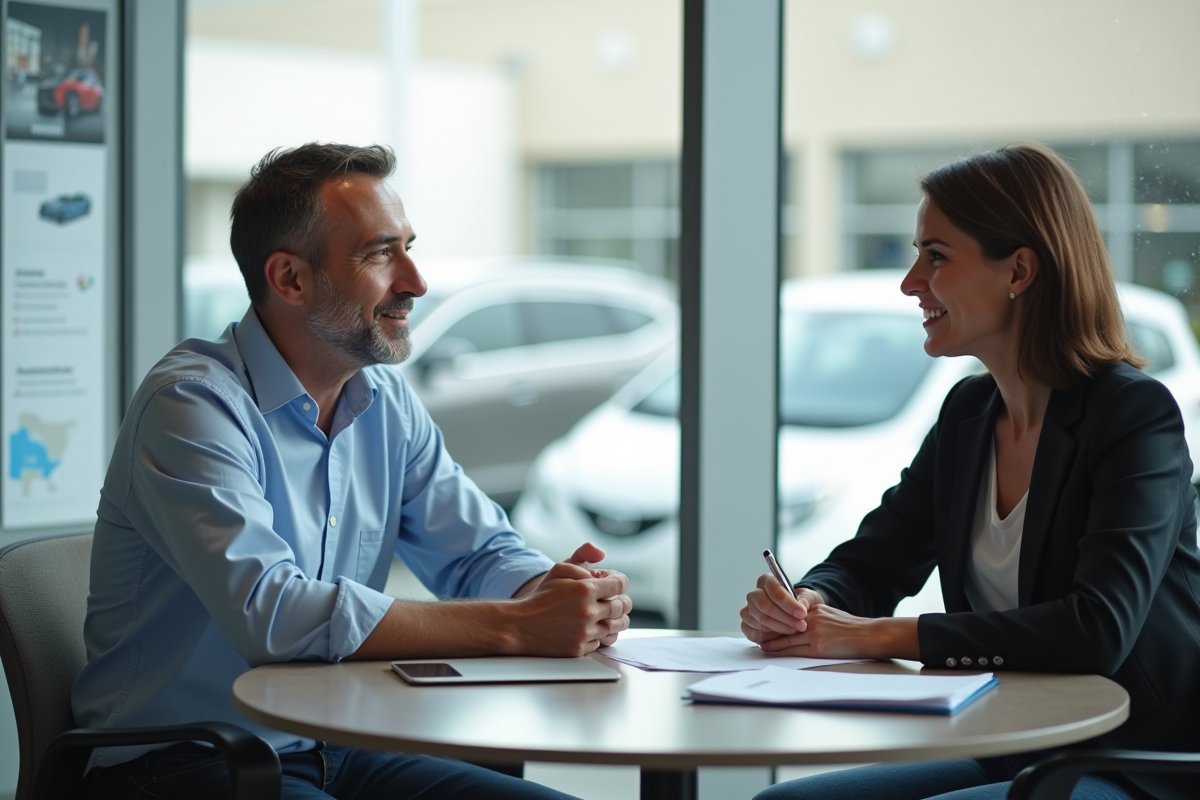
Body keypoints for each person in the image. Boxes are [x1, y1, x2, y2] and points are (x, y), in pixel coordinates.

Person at [73, 142, 633, 800]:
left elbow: (479, 553)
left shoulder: (385, 400)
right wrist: (517, 625)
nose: (416, 281)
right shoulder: (192, 405)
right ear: (290, 279)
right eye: (379, 254)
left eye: (409, 247)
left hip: (340, 745)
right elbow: (273, 615)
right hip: (185, 764)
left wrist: (560, 594)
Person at [742, 143, 1200, 800]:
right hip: (1012, 742)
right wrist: (808, 603)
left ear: (1019, 270)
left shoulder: (1133, 415)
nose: (910, 283)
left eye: (936, 256)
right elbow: (873, 565)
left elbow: (1096, 629)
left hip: (1134, 761)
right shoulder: (969, 413)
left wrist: (874, 636)